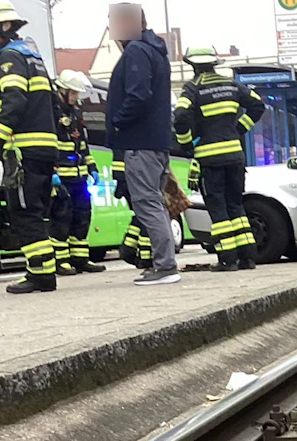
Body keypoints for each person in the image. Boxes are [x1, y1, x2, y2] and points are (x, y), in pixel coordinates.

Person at [0, 0, 58, 294]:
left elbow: (15, 101)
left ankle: (40, 276)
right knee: (35, 210)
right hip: (43, 147)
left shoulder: (9, 57)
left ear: (5, 26)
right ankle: (44, 272)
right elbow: (43, 102)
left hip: (25, 149)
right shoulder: (31, 56)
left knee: (24, 211)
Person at [173, 46, 264, 272]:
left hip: (210, 159)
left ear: (192, 65)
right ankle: (248, 258)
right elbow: (257, 105)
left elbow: (181, 115)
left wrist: (186, 144)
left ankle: (227, 259)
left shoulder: (193, 88)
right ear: (214, 63)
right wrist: (238, 129)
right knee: (235, 205)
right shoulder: (232, 85)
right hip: (235, 156)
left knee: (218, 208)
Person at [106, 2, 178, 286]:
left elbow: (138, 95)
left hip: (140, 142)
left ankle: (165, 267)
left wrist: (117, 122)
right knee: (155, 203)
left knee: (147, 203)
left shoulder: (136, 51)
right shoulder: (155, 52)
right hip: (156, 142)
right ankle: (165, 264)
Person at [50, 69, 106, 275]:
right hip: (62, 177)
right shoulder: (52, 112)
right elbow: (49, 145)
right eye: (73, 93)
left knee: (82, 217)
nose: (76, 97)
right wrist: (52, 172)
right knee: (61, 218)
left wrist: (92, 167)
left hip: (80, 177)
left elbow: (82, 144)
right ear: (62, 90)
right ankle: (61, 261)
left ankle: (80, 259)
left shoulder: (75, 114)